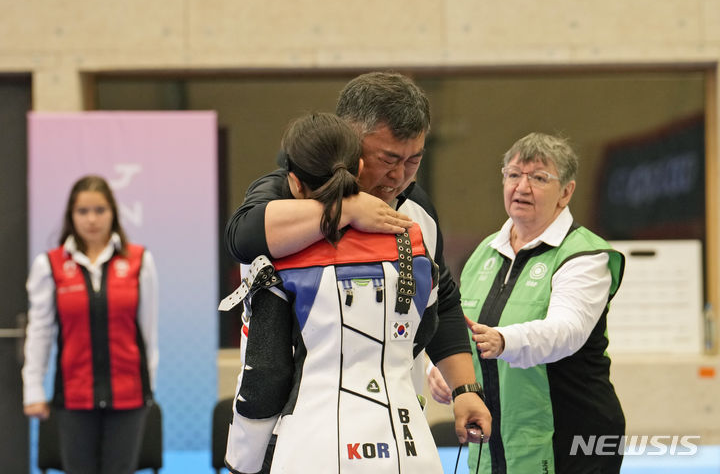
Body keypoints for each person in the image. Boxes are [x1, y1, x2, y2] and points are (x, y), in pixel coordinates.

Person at [225, 71, 491, 444]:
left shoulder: (416, 209)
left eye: (413, 160)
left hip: (394, 425)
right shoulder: (291, 190)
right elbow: (242, 236)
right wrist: (345, 210)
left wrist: (465, 390)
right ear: (348, 139)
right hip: (296, 432)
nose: (398, 176)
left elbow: (442, 301)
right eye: (387, 159)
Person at [428, 133, 626, 474]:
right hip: (497, 440)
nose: (522, 186)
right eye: (513, 174)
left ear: (566, 192)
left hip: (572, 440)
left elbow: (567, 331)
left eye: (538, 177)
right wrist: (442, 371)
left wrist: (505, 340)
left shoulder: (585, 255)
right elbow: (460, 325)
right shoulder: (485, 252)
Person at [22, 175, 159, 474]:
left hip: (129, 394)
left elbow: (148, 332)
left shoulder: (139, 261)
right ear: (71, 216)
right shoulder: (50, 265)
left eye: (100, 210)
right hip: (74, 394)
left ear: (113, 213)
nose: (92, 219)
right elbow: (40, 332)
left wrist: (149, 384)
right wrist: (32, 389)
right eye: (83, 211)